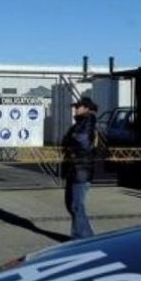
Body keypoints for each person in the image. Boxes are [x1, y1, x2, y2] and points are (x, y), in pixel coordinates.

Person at [61, 97, 98, 239]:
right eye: (75, 106)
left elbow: (81, 141)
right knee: (71, 204)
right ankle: (87, 236)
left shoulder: (88, 120)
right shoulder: (80, 123)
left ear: (87, 108)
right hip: (74, 169)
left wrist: (70, 141)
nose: (75, 109)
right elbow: (67, 140)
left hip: (81, 169)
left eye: (78, 106)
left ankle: (80, 238)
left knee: (77, 206)